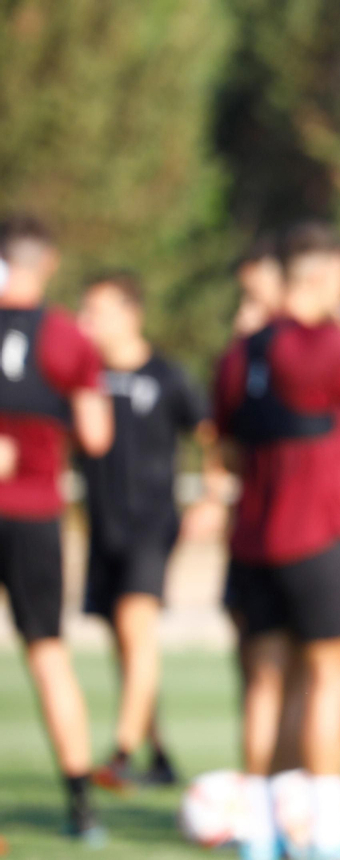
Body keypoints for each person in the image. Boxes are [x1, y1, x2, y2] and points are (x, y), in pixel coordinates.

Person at [213, 220, 340, 860]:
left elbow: (229, 448)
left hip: (252, 541)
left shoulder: (239, 354)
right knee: (332, 679)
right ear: (323, 277)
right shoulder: (327, 344)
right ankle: (326, 834)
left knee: (265, 684)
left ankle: (260, 835)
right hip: (320, 539)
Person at [0, 215, 114, 842]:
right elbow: (97, 435)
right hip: (34, 515)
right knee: (48, 656)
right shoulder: (66, 338)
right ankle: (81, 808)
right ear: (47, 264)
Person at [75, 272, 211, 790]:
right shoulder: (83, 377)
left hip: (151, 525)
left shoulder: (168, 376)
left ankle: (123, 754)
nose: (87, 323)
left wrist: (211, 497)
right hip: (101, 526)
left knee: (137, 626)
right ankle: (157, 754)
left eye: (97, 312)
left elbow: (210, 435)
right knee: (125, 647)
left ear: (131, 314)